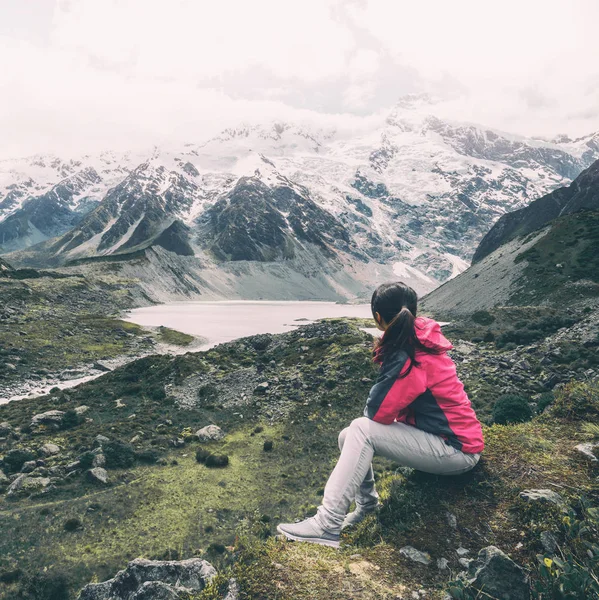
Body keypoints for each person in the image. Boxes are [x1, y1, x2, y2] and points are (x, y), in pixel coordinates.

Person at [277, 281, 485, 548]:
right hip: (449, 440)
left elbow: (376, 413)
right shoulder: (419, 342)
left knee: (361, 429)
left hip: (457, 451)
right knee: (349, 434)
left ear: (377, 317)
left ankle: (326, 525)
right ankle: (367, 507)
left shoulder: (408, 354)